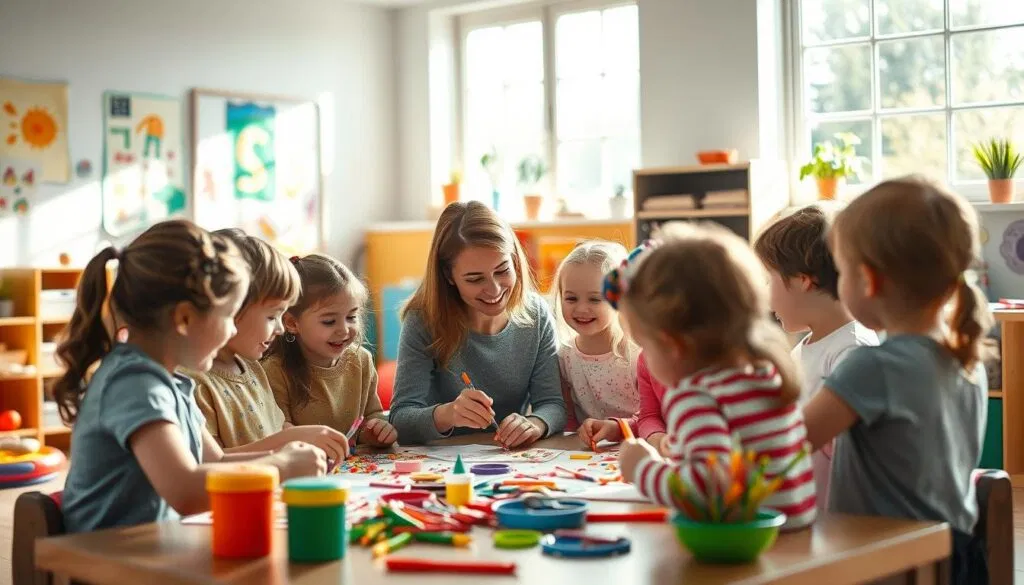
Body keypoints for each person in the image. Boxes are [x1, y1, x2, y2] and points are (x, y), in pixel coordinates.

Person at [57, 220, 326, 533]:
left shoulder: (172, 383)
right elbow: (186, 489)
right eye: (228, 316)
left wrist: (285, 455)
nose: (232, 329)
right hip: (106, 563)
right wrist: (281, 467)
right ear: (184, 318)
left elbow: (216, 463)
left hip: (152, 550)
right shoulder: (133, 382)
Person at [801, 177, 993, 583]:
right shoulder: (966, 359)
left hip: (890, 564)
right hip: (953, 559)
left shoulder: (874, 367)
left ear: (868, 280)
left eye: (840, 271)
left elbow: (789, 442)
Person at [610, 225, 817, 530]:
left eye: (645, 344)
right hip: (798, 528)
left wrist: (641, 468)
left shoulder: (694, 394)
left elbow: (704, 495)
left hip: (748, 541)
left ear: (672, 345)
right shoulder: (762, 370)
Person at [389, 201, 566, 447]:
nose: (494, 289)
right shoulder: (423, 320)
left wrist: (535, 423)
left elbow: (552, 404)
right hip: (441, 462)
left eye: (502, 270)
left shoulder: (536, 315)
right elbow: (401, 418)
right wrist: (448, 414)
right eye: (474, 279)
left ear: (515, 260)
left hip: (508, 459)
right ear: (449, 276)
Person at [181, 228, 350, 463]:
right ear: (233, 307)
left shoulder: (252, 367)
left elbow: (277, 427)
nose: (280, 329)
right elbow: (212, 464)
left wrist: (304, 441)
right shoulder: (194, 382)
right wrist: (289, 441)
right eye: (272, 317)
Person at [753, 204, 878, 509]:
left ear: (802, 279)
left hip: (836, 522)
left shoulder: (853, 350)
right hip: (803, 510)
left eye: (769, 279)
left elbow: (847, 449)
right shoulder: (807, 345)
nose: (766, 295)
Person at [264, 254, 397, 448]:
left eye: (351, 317)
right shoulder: (274, 371)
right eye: (329, 321)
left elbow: (371, 416)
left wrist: (377, 430)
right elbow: (278, 433)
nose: (344, 330)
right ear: (292, 323)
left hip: (352, 473)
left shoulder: (361, 360)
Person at [550, 241, 640, 448]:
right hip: (591, 457)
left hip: (639, 450)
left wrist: (618, 428)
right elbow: (569, 419)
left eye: (595, 299)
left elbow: (655, 415)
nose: (582, 309)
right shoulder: (565, 356)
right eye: (571, 298)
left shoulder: (637, 353)